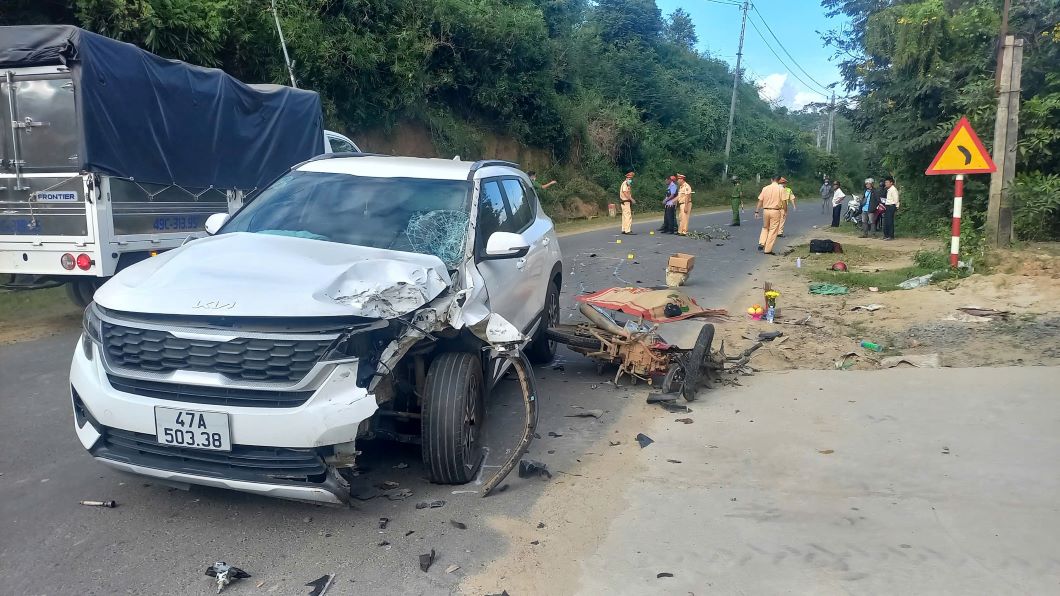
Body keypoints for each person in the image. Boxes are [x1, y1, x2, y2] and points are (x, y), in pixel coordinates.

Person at [754, 175, 785, 254]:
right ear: (779, 180)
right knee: (773, 230)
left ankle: (762, 242)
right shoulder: (781, 189)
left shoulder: (765, 188)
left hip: (766, 210)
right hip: (775, 211)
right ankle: (768, 249)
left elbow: (760, 200)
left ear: (771, 179)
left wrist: (756, 211)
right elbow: (784, 202)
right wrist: (785, 211)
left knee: (765, 227)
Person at [882, 176, 900, 240]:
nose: (886, 184)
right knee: (886, 221)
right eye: (885, 182)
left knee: (890, 221)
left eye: (887, 182)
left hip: (891, 206)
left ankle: (890, 236)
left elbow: (896, 199)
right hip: (887, 206)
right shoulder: (888, 189)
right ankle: (886, 235)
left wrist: (896, 207)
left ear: (891, 183)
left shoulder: (893, 190)